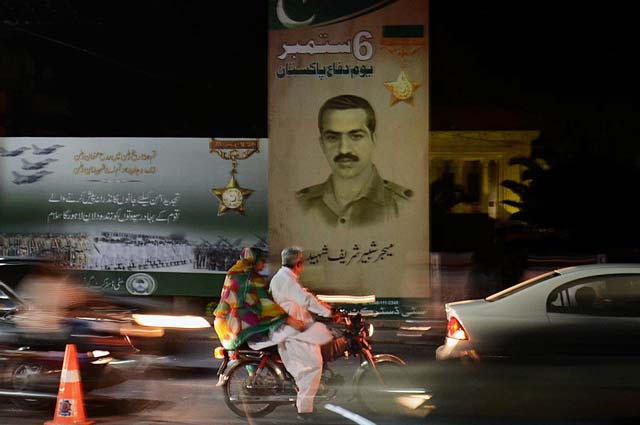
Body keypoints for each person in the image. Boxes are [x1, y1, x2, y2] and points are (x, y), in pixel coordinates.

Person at [296, 94, 413, 227]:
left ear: (373, 140)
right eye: (332, 138)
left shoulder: (404, 206)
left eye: (356, 136)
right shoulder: (299, 205)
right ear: (322, 143)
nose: (344, 149)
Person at [250, 246, 334, 421]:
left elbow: (304, 295)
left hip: (295, 327)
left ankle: (305, 399)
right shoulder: (285, 280)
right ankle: (304, 410)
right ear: (298, 263)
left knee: (321, 342)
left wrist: (326, 308)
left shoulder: (285, 278)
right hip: (292, 331)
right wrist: (329, 312)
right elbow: (306, 300)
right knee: (312, 366)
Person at [213, 246, 303, 350]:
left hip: (224, 325)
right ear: (254, 259)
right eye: (262, 260)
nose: (264, 264)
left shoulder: (232, 273)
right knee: (281, 332)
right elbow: (266, 303)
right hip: (238, 327)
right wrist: (289, 319)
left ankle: (255, 365)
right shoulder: (252, 277)